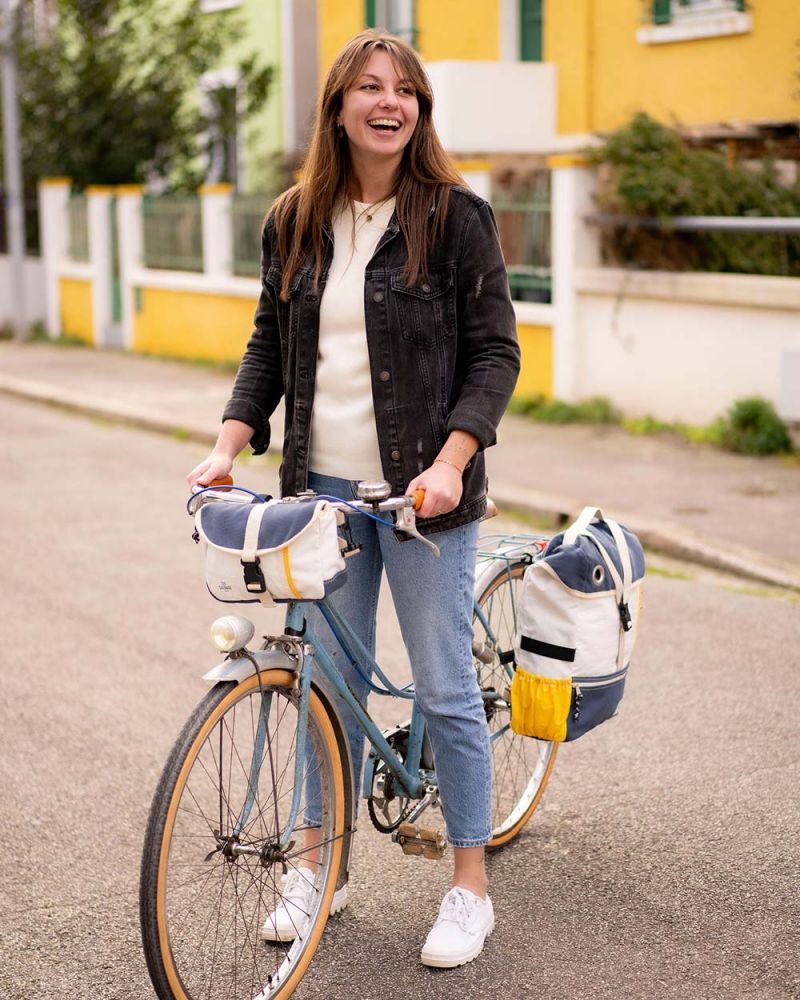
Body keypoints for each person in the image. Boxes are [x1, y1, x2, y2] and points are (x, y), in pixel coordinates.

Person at [188, 29, 520, 969]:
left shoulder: (457, 217)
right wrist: (226, 447)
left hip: (423, 496)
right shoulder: (293, 219)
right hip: (321, 493)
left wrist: (454, 460)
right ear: (338, 106)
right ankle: (314, 866)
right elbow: (267, 348)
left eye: (406, 89)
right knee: (320, 688)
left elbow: (496, 353)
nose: (391, 102)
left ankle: (468, 886)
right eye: (370, 87)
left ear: (419, 110)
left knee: (449, 690)